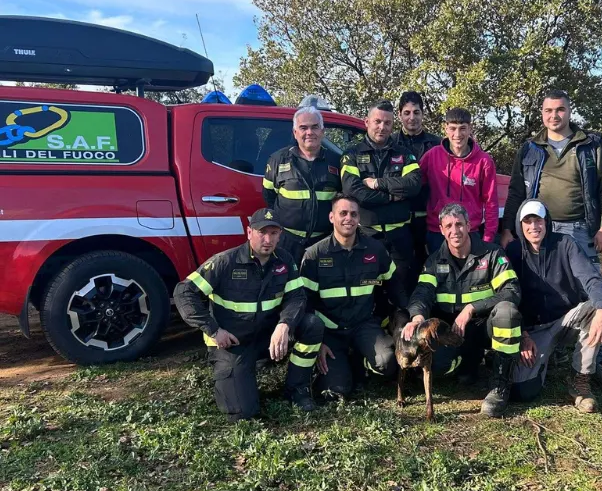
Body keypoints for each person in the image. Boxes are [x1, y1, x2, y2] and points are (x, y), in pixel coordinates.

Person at [500, 89, 602, 387]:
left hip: (578, 228)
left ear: (569, 111)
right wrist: (506, 229)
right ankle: (545, 339)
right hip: (536, 228)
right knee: (534, 284)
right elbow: (516, 191)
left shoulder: (590, 145)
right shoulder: (529, 148)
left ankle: (599, 362)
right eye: (548, 110)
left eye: (560, 110)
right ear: (541, 113)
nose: (554, 116)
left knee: (589, 290)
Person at [173, 208, 324, 419]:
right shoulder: (225, 261)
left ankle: (296, 389)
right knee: (242, 413)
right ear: (249, 232)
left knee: (312, 324)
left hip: (267, 336)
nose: (268, 239)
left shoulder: (285, 260)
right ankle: (242, 372)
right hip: (233, 342)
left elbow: (297, 297)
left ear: (280, 235)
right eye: (262, 232)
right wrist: (214, 331)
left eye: (273, 233)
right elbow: (184, 292)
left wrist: (284, 325)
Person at [403, 203, 522, 417]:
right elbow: (422, 292)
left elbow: (512, 291)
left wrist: (472, 308)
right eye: (448, 225)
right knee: (438, 368)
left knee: (507, 311)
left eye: (459, 224)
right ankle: (469, 364)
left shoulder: (492, 254)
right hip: (452, 333)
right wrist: (417, 317)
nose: (454, 230)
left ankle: (501, 384)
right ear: (441, 229)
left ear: (469, 225)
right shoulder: (434, 261)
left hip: (485, 327)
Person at [505, 199, 602, 413]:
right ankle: (546, 360)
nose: (534, 227)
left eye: (538, 220)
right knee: (522, 392)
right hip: (534, 331)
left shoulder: (566, 244)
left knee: (594, 307)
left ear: (547, 222)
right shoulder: (514, 252)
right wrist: (523, 335)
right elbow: (508, 297)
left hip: (567, 320)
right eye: (528, 221)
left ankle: (580, 379)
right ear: (520, 225)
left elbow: (592, 279)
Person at [300, 194, 405, 399]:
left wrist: (411, 316)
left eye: (353, 214)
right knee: (335, 390)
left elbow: (395, 286)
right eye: (343, 213)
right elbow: (304, 303)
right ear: (332, 217)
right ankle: (337, 366)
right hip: (329, 332)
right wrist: (317, 341)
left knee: (387, 362)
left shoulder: (375, 249)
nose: (348, 218)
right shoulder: (314, 255)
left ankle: (360, 360)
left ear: (359, 219)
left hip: (364, 325)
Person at [341, 100, 423, 284]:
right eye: (377, 121)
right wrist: (393, 196)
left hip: (400, 236)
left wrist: (378, 183)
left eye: (387, 123)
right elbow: (354, 191)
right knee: (369, 286)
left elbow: (414, 185)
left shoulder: (404, 154)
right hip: (366, 235)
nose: (382, 127)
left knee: (400, 287)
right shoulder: (351, 154)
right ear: (366, 122)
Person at [262, 104, 343, 264]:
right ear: (295, 132)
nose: (309, 133)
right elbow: (269, 196)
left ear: (322, 131)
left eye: (315, 127)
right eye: (303, 128)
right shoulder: (278, 160)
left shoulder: (336, 161)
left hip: (325, 242)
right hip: (287, 242)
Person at [421, 107, 500, 253]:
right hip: (438, 233)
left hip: (470, 232)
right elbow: (415, 186)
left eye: (462, 128)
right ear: (445, 129)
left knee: (472, 276)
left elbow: (491, 203)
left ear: (470, 128)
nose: (457, 134)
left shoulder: (484, 161)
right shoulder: (432, 156)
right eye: (453, 128)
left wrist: (488, 239)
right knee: (439, 276)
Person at [390, 91, 442, 271]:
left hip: (428, 221)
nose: (412, 117)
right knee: (401, 273)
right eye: (407, 113)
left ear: (422, 114)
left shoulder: (438, 145)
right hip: (398, 220)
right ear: (399, 115)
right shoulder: (390, 143)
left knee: (429, 270)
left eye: (416, 112)